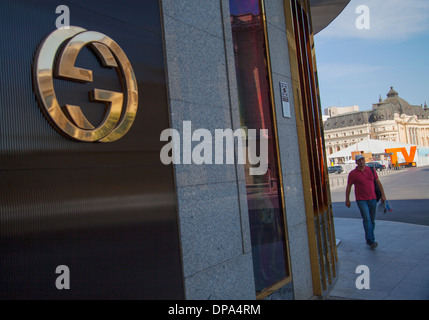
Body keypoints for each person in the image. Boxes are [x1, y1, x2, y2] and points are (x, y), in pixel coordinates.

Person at [345, 155, 386, 248]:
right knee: (367, 219)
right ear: (356, 162)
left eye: (363, 160)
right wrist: (347, 199)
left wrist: (383, 195)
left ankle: (368, 237)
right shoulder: (353, 173)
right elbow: (349, 187)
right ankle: (371, 240)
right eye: (359, 160)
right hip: (361, 200)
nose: (362, 162)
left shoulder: (371, 170)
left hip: (373, 198)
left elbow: (378, 182)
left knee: (372, 220)